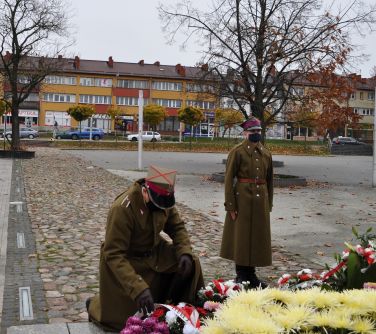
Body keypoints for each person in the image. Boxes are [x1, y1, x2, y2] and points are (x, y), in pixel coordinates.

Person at [87, 165, 204, 332]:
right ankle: (94, 304)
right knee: (129, 322)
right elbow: (113, 254)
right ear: (145, 191)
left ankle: (179, 308)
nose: (161, 208)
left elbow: (177, 227)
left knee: (190, 261)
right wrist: (138, 288)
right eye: (157, 204)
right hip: (129, 260)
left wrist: (184, 251)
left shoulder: (163, 198)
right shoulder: (123, 208)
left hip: (154, 253)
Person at [220, 116, 273, 288]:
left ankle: (252, 275)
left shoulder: (266, 153)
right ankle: (242, 274)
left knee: (257, 238)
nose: (256, 134)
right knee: (242, 238)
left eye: (258, 131)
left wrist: (269, 203)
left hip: (260, 203)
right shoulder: (237, 152)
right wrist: (230, 205)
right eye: (252, 131)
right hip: (242, 200)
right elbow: (229, 180)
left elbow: (270, 180)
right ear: (245, 133)